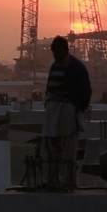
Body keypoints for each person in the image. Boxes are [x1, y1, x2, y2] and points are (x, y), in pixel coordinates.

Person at [42, 35, 92, 190]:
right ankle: (53, 180)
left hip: (67, 110)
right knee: (52, 148)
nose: (55, 55)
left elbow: (85, 90)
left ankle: (66, 181)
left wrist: (77, 108)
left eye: (57, 51)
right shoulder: (55, 66)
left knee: (68, 149)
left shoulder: (75, 66)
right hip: (54, 111)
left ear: (64, 50)